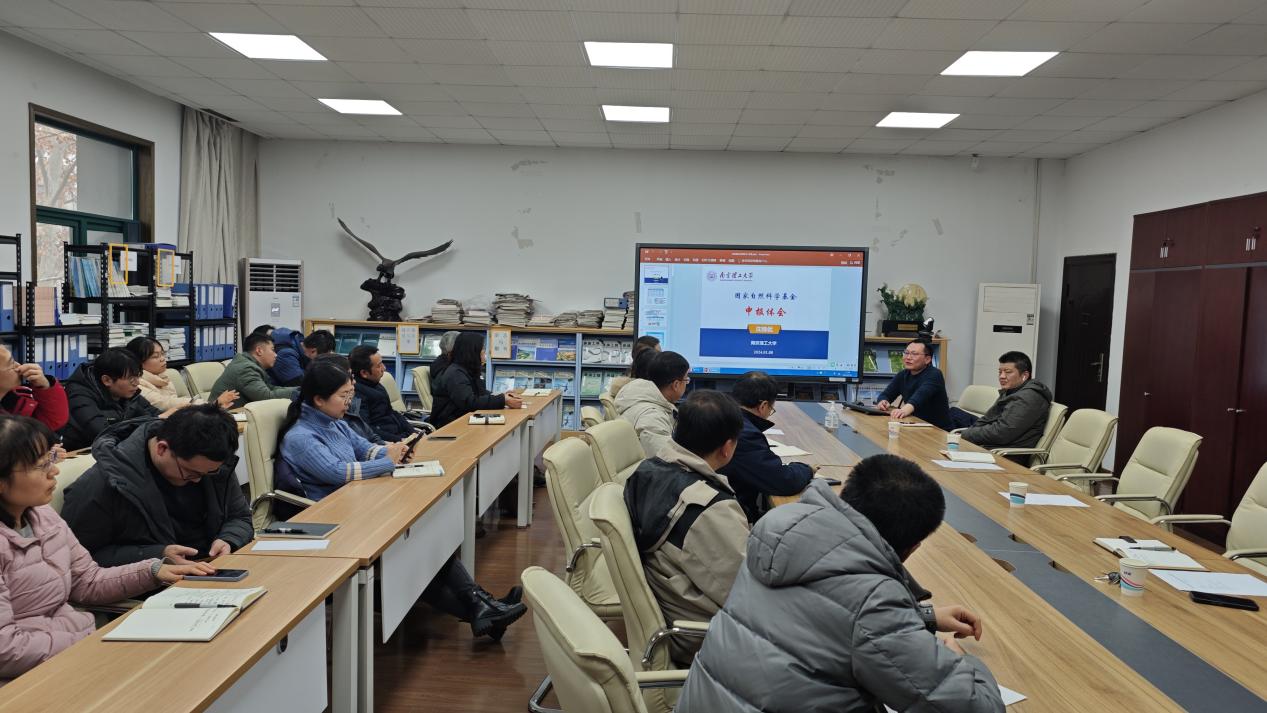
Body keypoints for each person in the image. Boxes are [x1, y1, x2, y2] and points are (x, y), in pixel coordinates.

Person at [677, 454, 1004, 713]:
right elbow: (975, 707)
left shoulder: (778, 532)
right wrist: (963, 661)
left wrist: (921, 617)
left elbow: (824, 613)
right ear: (912, 548)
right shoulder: (873, 604)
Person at [277, 362, 525, 640]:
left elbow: (365, 449)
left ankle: (482, 605)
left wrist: (393, 450)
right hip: (334, 521)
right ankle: (482, 606)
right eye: (343, 396)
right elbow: (337, 472)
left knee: (423, 541)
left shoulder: (335, 423)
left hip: (358, 504)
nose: (348, 402)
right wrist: (388, 462)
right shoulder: (301, 437)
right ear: (319, 399)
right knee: (415, 550)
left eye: (350, 395)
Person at [0, 415, 212, 678]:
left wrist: (153, 570)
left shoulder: (43, 516)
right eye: (41, 465)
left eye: (51, 459)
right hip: (29, 676)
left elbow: (87, 581)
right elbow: (6, 650)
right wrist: (91, 643)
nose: (54, 471)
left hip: (72, 652)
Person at [622, 390, 749, 662]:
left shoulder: (647, 471)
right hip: (711, 637)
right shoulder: (709, 508)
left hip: (676, 609)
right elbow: (747, 594)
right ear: (727, 448)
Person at [60, 405, 253, 567]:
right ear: (162, 448)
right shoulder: (102, 485)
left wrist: (229, 539)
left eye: (207, 473)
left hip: (213, 569)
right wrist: (158, 556)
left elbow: (240, 516)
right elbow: (79, 560)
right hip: (153, 587)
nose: (197, 480)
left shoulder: (209, 467)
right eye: (190, 473)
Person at [719, 371, 814, 523]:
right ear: (763, 405)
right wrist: (807, 469)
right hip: (734, 518)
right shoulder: (745, 434)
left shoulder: (722, 415)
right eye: (771, 409)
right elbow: (784, 482)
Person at [61, 348, 162, 451]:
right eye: (131, 379)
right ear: (107, 380)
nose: (137, 383)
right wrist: (146, 425)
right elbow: (103, 433)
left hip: (113, 449)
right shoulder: (79, 394)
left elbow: (157, 416)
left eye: (138, 376)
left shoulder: (127, 392)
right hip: (79, 453)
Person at [959, 352, 1053, 454]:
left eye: (1008, 372)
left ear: (1025, 375)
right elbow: (988, 419)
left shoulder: (1029, 397)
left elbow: (1001, 433)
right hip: (990, 447)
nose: (1002, 376)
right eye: (1000, 372)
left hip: (1006, 455)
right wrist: (968, 433)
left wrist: (966, 434)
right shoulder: (1011, 390)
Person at [428, 332, 522, 429]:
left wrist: (501, 395)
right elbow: (470, 403)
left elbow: (480, 393)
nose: (484, 354)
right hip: (450, 425)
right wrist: (502, 400)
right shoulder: (455, 374)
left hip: (465, 419)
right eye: (482, 350)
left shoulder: (468, 369)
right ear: (472, 353)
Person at [126, 337, 237, 411]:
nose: (162, 359)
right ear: (138, 361)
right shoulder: (137, 384)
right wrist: (211, 404)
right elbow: (165, 403)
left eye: (163, 354)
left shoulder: (163, 377)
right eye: (155, 356)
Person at [614, 350, 689, 457]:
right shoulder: (652, 418)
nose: (687, 383)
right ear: (676, 385)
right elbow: (666, 460)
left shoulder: (645, 399)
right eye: (686, 379)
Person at [876, 339, 951, 430]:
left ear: (927, 359)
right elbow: (886, 394)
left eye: (914, 354)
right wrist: (883, 401)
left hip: (938, 430)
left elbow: (919, 397)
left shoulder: (935, 374)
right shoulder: (903, 374)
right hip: (915, 424)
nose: (908, 357)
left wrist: (903, 410)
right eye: (906, 353)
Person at [209, 332, 298, 408]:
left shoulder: (247, 364)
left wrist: (299, 389)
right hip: (220, 418)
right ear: (259, 351)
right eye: (272, 350)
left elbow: (270, 388)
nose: (276, 355)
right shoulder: (245, 368)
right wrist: (297, 393)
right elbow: (266, 397)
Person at [350, 344, 416, 443]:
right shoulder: (356, 394)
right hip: (388, 443)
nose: (384, 368)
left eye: (382, 363)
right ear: (364, 373)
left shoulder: (375, 384)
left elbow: (392, 412)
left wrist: (413, 432)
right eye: (379, 366)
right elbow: (366, 429)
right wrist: (400, 440)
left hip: (401, 437)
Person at [0, 343, 68, 432]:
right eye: (11, 363)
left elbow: (51, 423)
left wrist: (45, 386)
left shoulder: (16, 397)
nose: (18, 366)